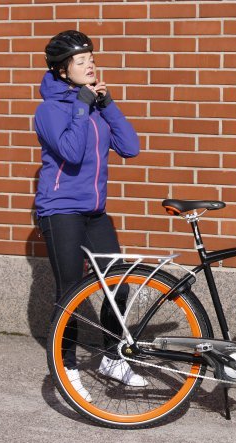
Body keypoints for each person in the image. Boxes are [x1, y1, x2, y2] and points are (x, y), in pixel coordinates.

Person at [34, 30, 144, 399]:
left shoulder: (94, 106)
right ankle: (66, 368)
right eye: (81, 61)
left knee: (119, 284)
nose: (90, 65)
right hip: (60, 211)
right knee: (71, 292)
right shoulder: (49, 110)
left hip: (95, 212)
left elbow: (131, 147)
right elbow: (71, 151)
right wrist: (82, 105)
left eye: (91, 59)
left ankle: (113, 357)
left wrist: (107, 104)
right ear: (62, 71)